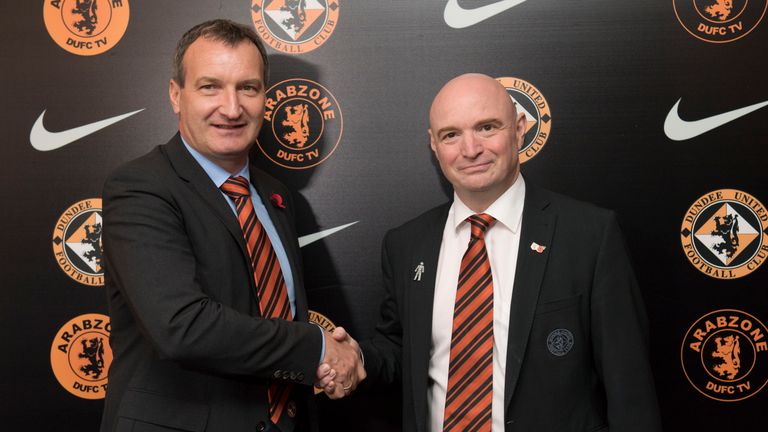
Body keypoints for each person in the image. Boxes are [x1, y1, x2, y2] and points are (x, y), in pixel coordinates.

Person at [325, 73, 662, 431]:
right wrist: (359, 357)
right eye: (451, 135)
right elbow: (401, 348)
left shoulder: (590, 235)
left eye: (487, 127)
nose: (470, 149)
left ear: (519, 129)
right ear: (433, 145)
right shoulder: (406, 244)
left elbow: (631, 392)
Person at [100, 19, 361, 432]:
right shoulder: (140, 188)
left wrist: (332, 361)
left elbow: (281, 315)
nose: (232, 107)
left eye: (248, 88)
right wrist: (317, 348)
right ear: (175, 95)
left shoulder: (276, 196)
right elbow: (182, 328)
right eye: (210, 87)